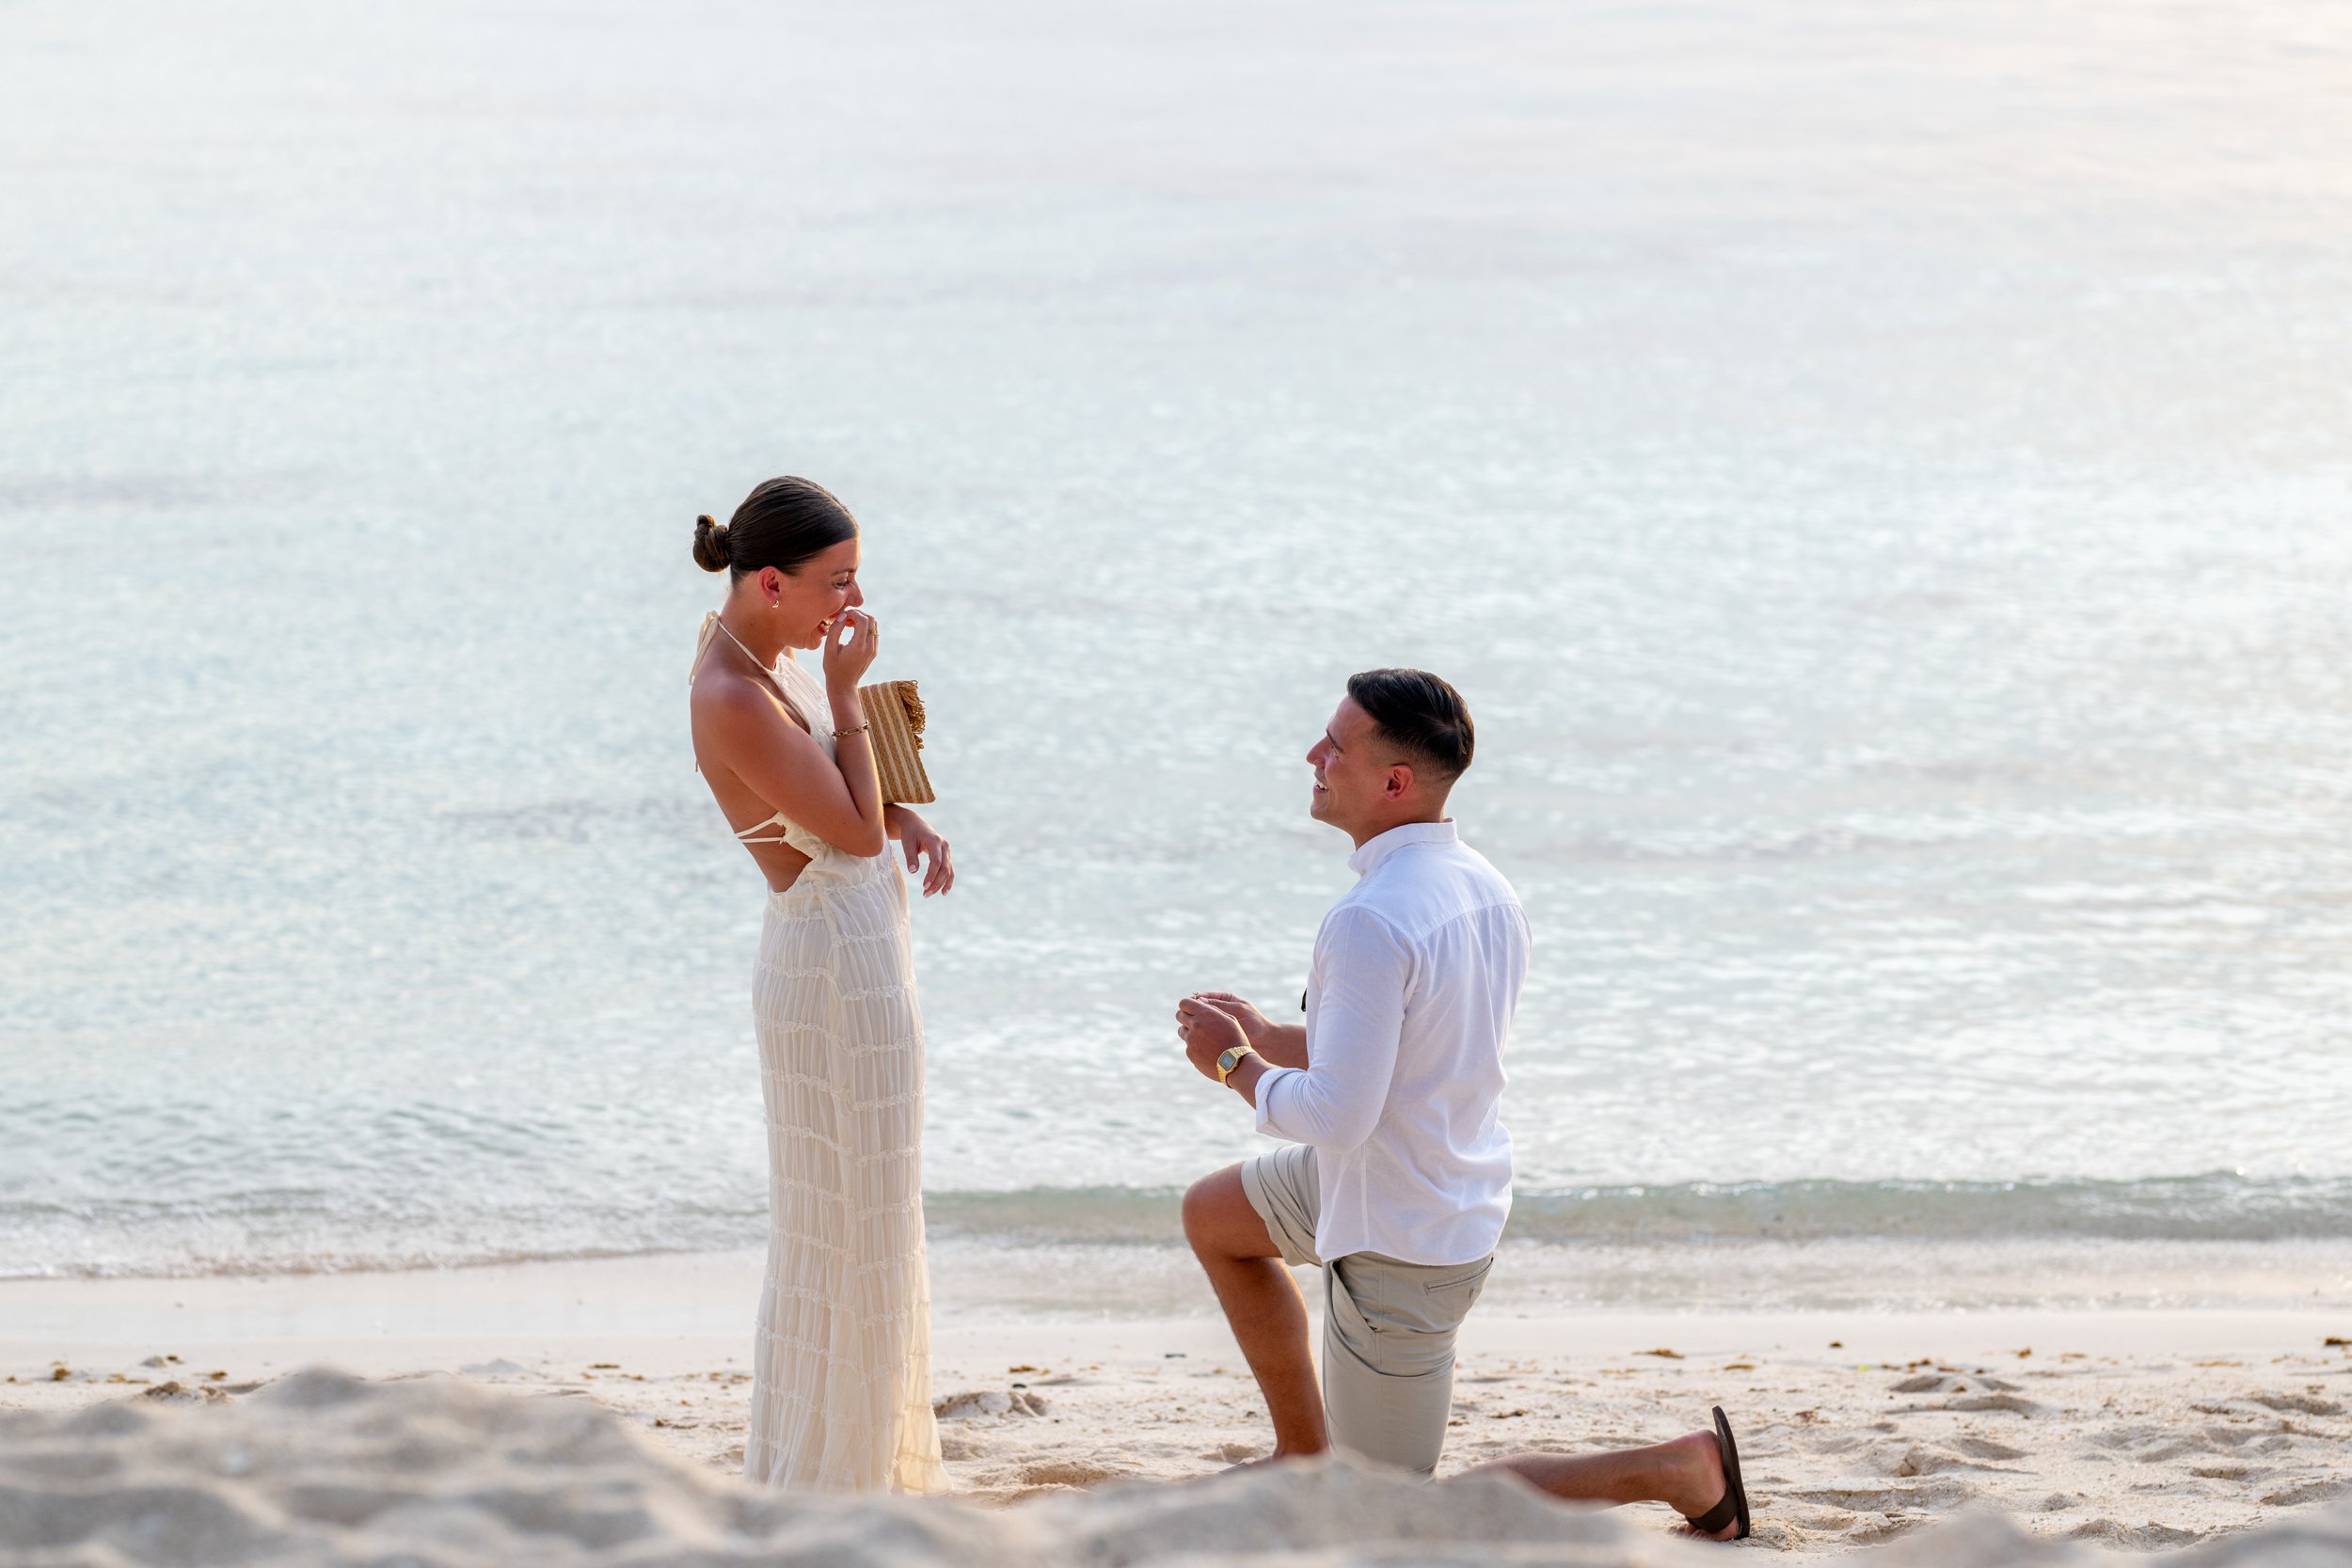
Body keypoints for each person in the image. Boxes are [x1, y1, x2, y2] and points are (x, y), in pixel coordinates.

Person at [1175, 669, 1752, 1540]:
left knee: (1398, 1513)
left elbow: (1337, 1114)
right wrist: (1265, 1035)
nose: (1313, 755)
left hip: (1402, 1238)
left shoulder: (1370, 918)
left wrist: (1232, 1063)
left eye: (1335, 744)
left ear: (1394, 781)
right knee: (1215, 1216)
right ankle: (1304, 1448)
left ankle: (1675, 1468)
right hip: (1425, 1180)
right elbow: (1405, 1058)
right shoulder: (1484, 885)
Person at [687, 476, 955, 1494]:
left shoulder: (769, 656)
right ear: (768, 578)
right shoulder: (728, 691)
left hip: (860, 946)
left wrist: (907, 813)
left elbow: (853, 801)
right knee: (839, 1221)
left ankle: (871, 1461)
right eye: (835, 581)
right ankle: (834, 1475)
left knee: (873, 1216)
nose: (851, 600)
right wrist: (849, 693)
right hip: (830, 969)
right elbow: (843, 829)